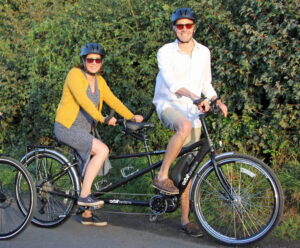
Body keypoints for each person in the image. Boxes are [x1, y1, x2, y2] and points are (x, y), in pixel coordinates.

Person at [152, 7, 228, 237]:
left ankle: (185, 220)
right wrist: (196, 98)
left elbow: (206, 83)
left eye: (188, 25)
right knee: (183, 126)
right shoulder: (165, 52)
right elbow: (172, 84)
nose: (184, 29)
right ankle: (162, 176)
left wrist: (216, 100)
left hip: (194, 110)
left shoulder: (204, 52)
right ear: (174, 28)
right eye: (180, 26)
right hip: (169, 105)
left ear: (194, 27)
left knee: (189, 168)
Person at [54, 42, 143, 226]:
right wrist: (102, 118)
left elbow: (113, 100)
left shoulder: (99, 81)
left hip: (84, 130)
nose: (94, 62)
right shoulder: (75, 75)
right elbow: (83, 101)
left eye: (97, 59)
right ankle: (85, 196)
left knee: (85, 166)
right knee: (102, 150)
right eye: (90, 59)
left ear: (102, 62)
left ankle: (86, 215)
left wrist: (131, 116)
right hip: (67, 127)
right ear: (83, 60)